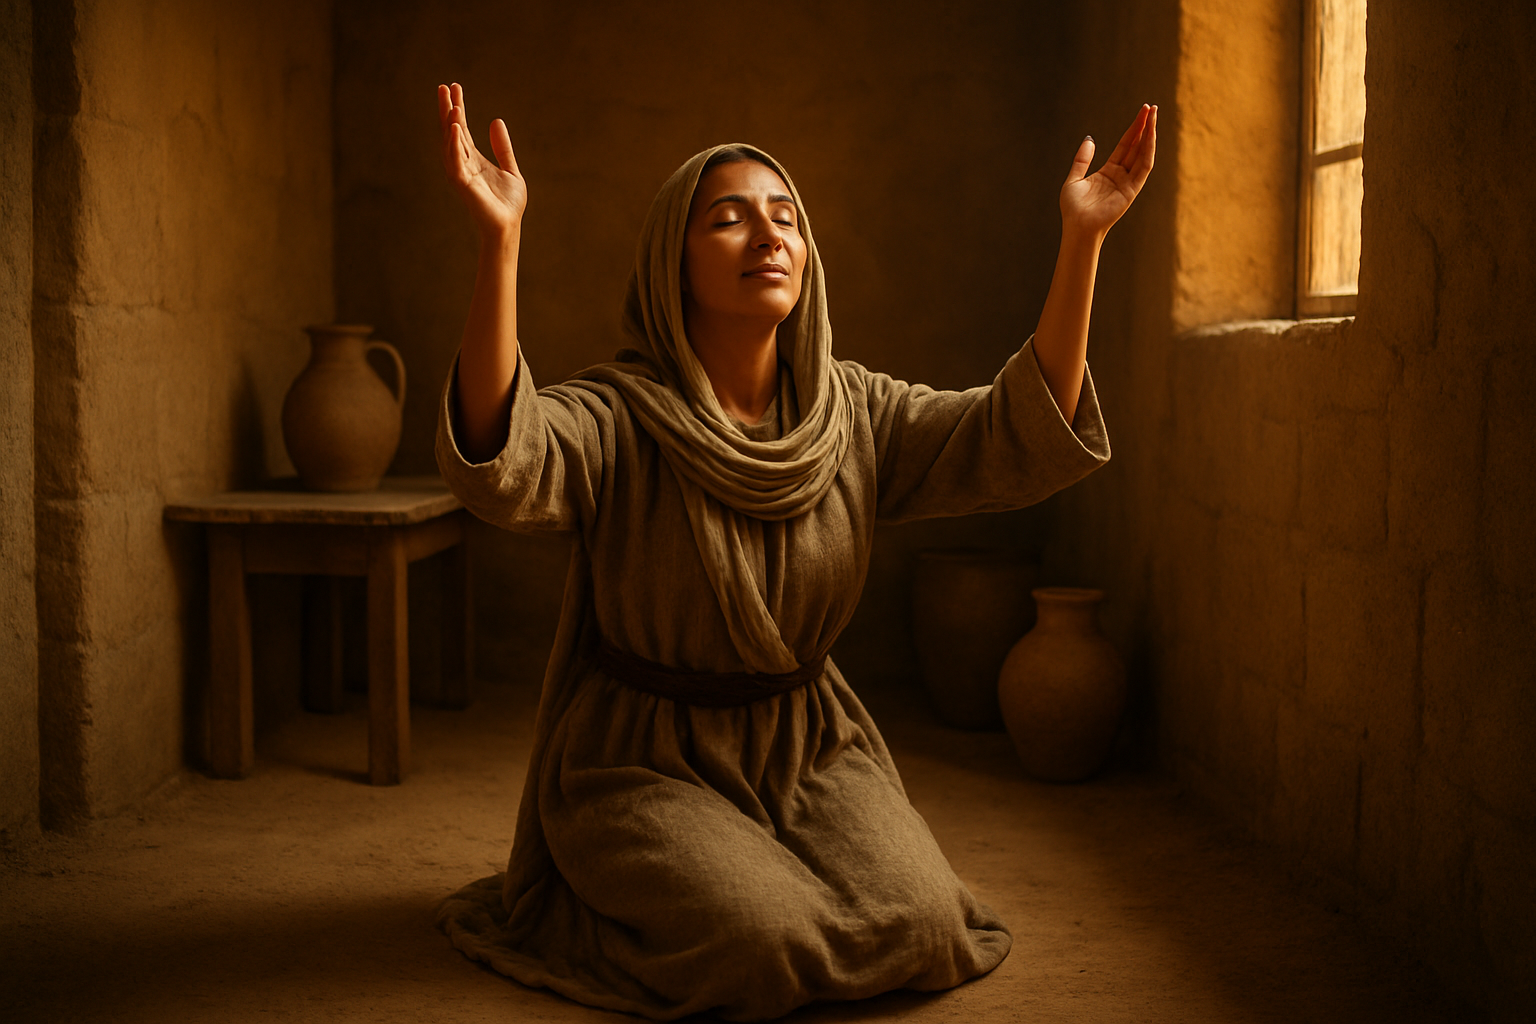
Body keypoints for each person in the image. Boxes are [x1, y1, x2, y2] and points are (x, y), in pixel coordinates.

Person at [431, 81, 1155, 1021]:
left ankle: (759, 861)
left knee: (925, 925)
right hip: (640, 756)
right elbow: (503, 456)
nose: (768, 236)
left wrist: (1084, 241)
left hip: (808, 743)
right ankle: (599, 883)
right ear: (672, 263)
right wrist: (501, 241)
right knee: (760, 944)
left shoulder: (850, 414)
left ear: (806, 259)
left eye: (785, 220)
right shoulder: (620, 415)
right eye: (728, 220)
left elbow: (1009, 434)